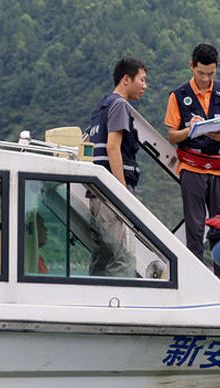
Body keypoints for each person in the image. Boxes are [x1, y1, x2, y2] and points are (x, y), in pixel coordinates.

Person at [164, 43, 220, 284]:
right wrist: (190, 129)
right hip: (192, 167)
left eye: (211, 74)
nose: (206, 79)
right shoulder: (178, 96)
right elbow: (172, 135)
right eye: (201, 73)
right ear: (191, 66)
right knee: (195, 225)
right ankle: (196, 277)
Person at [87, 57, 147, 277]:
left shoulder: (100, 108)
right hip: (111, 194)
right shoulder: (119, 105)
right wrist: (121, 192)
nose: (144, 86)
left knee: (103, 257)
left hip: (96, 194)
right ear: (126, 79)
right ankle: (120, 306)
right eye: (142, 80)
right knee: (123, 258)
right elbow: (113, 148)